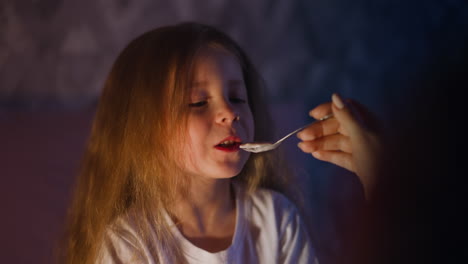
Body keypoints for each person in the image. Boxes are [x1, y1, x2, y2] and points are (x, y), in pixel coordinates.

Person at [61, 22, 317, 264]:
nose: (229, 111)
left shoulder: (276, 218)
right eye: (198, 102)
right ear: (145, 129)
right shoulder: (128, 244)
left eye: (237, 97)